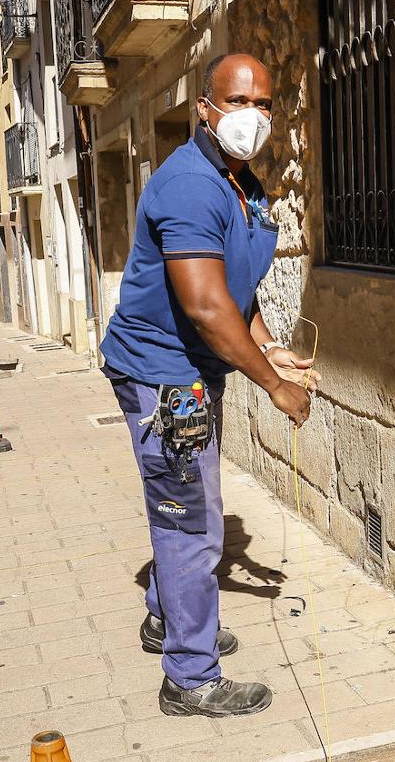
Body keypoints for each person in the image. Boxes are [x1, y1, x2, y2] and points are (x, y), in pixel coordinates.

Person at [99, 53, 317, 718]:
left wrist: (272, 349)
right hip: (167, 379)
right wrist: (273, 388)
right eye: (238, 101)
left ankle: (170, 621)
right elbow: (205, 306)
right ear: (206, 108)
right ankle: (189, 678)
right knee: (191, 521)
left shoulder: (240, 184)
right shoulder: (191, 185)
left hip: (190, 371)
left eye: (264, 103)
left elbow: (236, 290)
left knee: (186, 505)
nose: (253, 116)